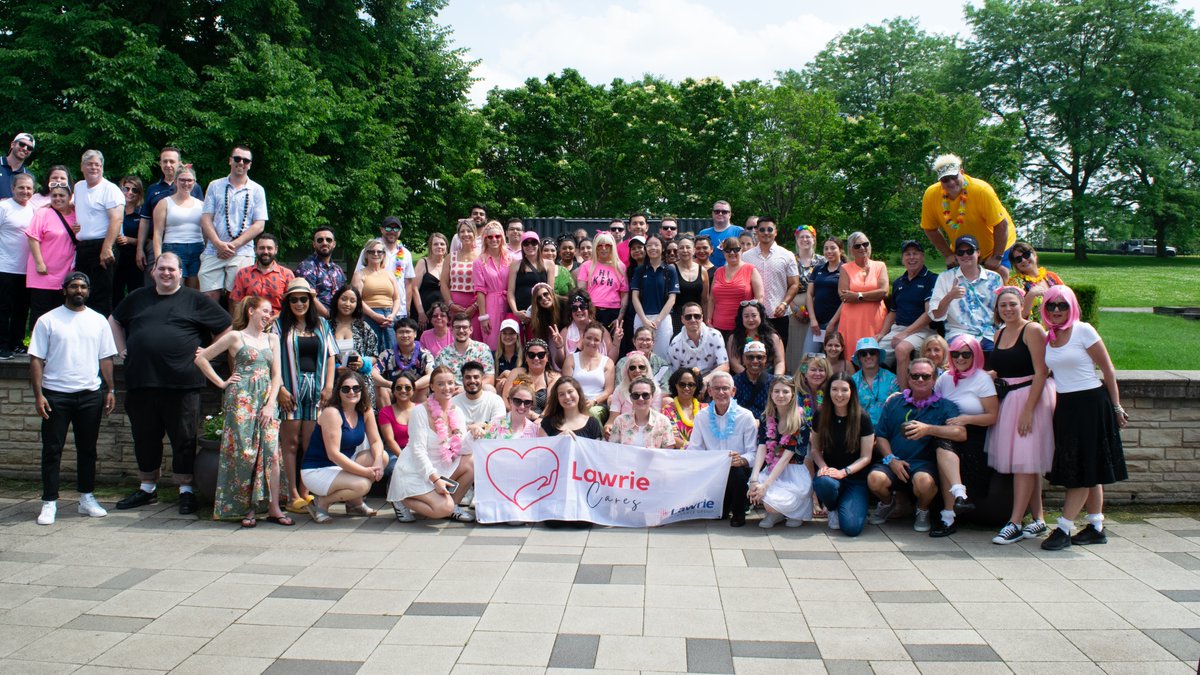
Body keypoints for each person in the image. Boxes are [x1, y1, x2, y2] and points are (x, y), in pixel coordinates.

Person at [109, 252, 232, 515]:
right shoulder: (137, 298)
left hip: (183, 382)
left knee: (184, 439)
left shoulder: (195, 299)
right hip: (142, 380)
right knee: (144, 437)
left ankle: (186, 491)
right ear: (153, 271)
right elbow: (114, 321)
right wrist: (121, 348)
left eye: (172, 270)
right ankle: (147, 488)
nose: (166, 273)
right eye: (161, 269)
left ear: (180, 272)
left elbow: (227, 326)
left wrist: (208, 352)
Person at [1040, 285, 1129, 551]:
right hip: (1066, 405)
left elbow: (1108, 370)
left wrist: (1116, 407)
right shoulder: (1048, 336)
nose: (1056, 310)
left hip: (1091, 403)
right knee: (1090, 467)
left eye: (1062, 305)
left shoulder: (1083, 330)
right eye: (1051, 305)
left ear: (1072, 307)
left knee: (1083, 469)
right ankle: (1095, 527)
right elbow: (1042, 373)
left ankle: (1065, 527)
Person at [193, 296, 291, 527]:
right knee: (245, 454)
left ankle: (274, 506)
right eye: (265, 311)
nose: (268, 315)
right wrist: (222, 382)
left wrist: (270, 403)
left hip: (266, 399)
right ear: (251, 311)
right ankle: (249, 508)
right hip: (241, 401)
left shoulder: (273, 339)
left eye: (270, 312)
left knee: (272, 454)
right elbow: (202, 358)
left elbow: (277, 375)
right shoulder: (235, 336)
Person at [30, 272, 117, 525]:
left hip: (90, 394)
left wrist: (110, 389)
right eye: (73, 286)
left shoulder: (98, 321)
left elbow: (106, 358)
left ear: (88, 291)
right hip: (56, 395)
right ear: (64, 289)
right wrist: (38, 395)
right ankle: (49, 502)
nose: (78, 290)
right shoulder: (48, 320)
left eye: (83, 287)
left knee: (88, 449)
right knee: (52, 450)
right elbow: (36, 359)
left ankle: (86, 498)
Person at [988, 286, 1056, 545]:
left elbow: (1042, 371)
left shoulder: (1033, 330)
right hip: (1009, 399)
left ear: (1022, 305)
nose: (1008, 309)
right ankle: (1038, 519)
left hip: (1031, 399)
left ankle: (1015, 522)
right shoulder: (999, 333)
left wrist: (1029, 409)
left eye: (1013, 304)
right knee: (1026, 462)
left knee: (1025, 462)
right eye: (1003, 305)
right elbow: (1001, 368)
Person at [867, 358, 966, 532]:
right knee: (874, 480)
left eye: (926, 376)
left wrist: (929, 429)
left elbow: (960, 433)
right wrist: (891, 460)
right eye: (915, 376)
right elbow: (881, 436)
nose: (920, 380)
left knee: (924, 483)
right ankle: (887, 503)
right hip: (894, 461)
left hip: (924, 465)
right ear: (909, 378)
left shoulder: (944, 406)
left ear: (934, 379)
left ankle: (922, 509)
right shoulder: (894, 403)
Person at [275, 278, 338, 514]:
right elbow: (274, 359)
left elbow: (331, 355)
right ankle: (291, 494)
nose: (299, 303)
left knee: (310, 443)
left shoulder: (321, 324)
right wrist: (280, 388)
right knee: (290, 444)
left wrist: (329, 386)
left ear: (310, 301)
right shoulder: (279, 326)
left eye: (304, 298)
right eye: (294, 299)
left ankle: (305, 491)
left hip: (316, 392)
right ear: (287, 301)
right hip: (290, 389)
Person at [929, 335, 998, 537]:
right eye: (956, 354)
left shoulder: (982, 379)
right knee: (942, 444)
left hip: (975, 434)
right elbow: (933, 402)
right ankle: (957, 495)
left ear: (975, 354)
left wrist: (966, 419)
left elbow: (992, 416)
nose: (960, 358)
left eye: (966, 354)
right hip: (948, 431)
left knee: (943, 447)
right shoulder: (945, 378)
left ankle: (948, 515)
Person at [387, 366, 476, 523]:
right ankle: (401, 499)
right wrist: (435, 480)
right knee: (442, 508)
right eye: (441, 384)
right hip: (414, 470)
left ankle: (452, 506)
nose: (446, 388)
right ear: (432, 387)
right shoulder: (419, 412)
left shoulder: (458, 412)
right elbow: (418, 450)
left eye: (450, 383)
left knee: (471, 461)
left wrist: (473, 434)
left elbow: (461, 448)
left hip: (441, 465)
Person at [301, 369, 386, 523]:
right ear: (338, 392)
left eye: (356, 388)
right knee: (363, 485)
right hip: (319, 469)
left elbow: (376, 441)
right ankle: (322, 502)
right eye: (345, 389)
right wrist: (365, 472)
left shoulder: (365, 410)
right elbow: (333, 454)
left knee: (382, 456)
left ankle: (355, 503)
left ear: (362, 390)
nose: (351, 392)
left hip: (342, 464)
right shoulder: (331, 413)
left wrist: (378, 461)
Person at [920, 153, 1015, 282]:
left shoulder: (981, 190)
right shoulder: (931, 195)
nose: (951, 182)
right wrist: (948, 254)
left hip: (996, 244)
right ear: (939, 181)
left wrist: (997, 257)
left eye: (954, 177)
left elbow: (1001, 225)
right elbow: (929, 229)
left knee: (998, 278)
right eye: (945, 180)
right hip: (963, 249)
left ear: (962, 172)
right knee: (956, 283)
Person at [199, 146, 268, 303]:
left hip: (242, 251)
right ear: (230, 160)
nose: (241, 163)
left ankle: (235, 328)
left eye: (246, 160)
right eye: (237, 159)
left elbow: (259, 225)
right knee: (208, 297)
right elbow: (205, 218)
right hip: (213, 250)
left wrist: (232, 246)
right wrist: (218, 244)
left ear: (250, 164)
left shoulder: (257, 190)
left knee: (237, 299)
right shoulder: (215, 185)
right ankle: (211, 328)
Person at [686, 372, 756, 527]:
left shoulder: (745, 416)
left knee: (736, 472)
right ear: (709, 392)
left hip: (738, 472)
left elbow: (754, 452)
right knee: (719, 514)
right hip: (713, 472)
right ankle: (720, 507)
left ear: (733, 391)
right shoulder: (702, 417)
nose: (721, 392)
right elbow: (695, 449)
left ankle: (739, 513)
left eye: (725, 388)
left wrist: (742, 460)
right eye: (716, 388)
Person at [810, 373, 875, 535]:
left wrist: (844, 472)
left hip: (855, 479)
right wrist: (824, 467)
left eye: (844, 390)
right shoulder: (820, 414)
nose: (839, 394)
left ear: (852, 392)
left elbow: (866, 457)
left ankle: (850, 506)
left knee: (851, 529)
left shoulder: (863, 418)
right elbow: (815, 449)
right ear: (828, 391)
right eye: (834, 389)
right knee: (824, 482)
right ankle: (832, 509)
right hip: (830, 476)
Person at [750, 376, 813, 528]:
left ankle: (794, 510)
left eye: (785, 392)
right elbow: (762, 446)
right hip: (772, 466)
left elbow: (786, 458)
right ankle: (774, 514)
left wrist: (765, 485)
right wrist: (754, 477)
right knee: (755, 488)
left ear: (793, 395)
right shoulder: (766, 417)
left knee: (766, 493)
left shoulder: (800, 421)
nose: (780, 395)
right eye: (776, 391)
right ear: (771, 394)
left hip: (793, 470)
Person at [876, 240, 936, 389]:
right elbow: (893, 312)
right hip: (899, 329)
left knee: (901, 349)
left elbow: (929, 313)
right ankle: (879, 391)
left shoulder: (932, 279)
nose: (911, 257)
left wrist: (905, 333)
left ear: (922, 256)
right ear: (903, 259)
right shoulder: (898, 282)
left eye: (915, 253)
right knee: (870, 352)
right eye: (907, 254)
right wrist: (881, 334)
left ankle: (904, 397)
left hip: (923, 329)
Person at [929, 234, 1003, 350]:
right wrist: (950, 296)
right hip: (959, 334)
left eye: (970, 251)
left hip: (989, 334)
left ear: (978, 252)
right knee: (964, 352)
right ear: (956, 256)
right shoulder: (945, 278)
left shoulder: (995, 278)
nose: (965, 255)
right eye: (960, 252)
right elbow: (936, 315)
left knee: (1004, 356)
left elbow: (1001, 312)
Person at [73, 150, 124, 315]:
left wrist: (107, 247)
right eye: (89, 164)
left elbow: (116, 219)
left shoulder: (110, 189)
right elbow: (69, 207)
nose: (93, 168)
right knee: (81, 294)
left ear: (102, 167)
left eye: (97, 165)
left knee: (100, 295)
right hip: (83, 248)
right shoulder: (79, 187)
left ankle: (102, 335)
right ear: (82, 167)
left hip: (103, 245)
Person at [139, 147, 203, 277]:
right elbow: (145, 220)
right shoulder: (153, 189)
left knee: (194, 290)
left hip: (196, 246)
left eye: (171, 161)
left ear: (179, 163)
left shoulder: (196, 190)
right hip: (164, 245)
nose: (168, 165)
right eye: (165, 161)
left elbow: (205, 223)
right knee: (166, 284)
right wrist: (140, 248)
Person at [26, 182, 78, 326]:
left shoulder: (76, 215)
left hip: (66, 272)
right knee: (40, 314)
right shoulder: (43, 213)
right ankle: (36, 347)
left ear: (70, 197)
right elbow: (33, 238)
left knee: (61, 314)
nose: (57, 198)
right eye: (54, 195)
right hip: (43, 272)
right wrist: (39, 263)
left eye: (61, 195)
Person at [742, 217, 799, 342]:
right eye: (762, 229)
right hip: (753, 317)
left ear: (776, 232)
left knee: (779, 355)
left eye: (769, 229)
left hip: (779, 315)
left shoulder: (787, 255)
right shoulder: (745, 257)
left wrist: (784, 304)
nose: (766, 232)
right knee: (753, 355)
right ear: (756, 232)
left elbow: (794, 284)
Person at [151, 165, 205, 289]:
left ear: (194, 182)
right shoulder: (164, 203)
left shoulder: (201, 205)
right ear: (175, 181)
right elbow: (157, 234)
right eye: (182, 180)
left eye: (189, 180)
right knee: (175, 289)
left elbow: (206, 233)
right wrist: (158, 260)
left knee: (194, 291)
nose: (186, 183)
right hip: (173, 248)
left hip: (197, 248)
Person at [352, 216, 416, 321]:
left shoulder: (406, 253)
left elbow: (408, 283)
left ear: (400, 231)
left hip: (398, 311)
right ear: (381, 229)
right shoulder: (370, 251)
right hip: (372, 309)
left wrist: (407, 308)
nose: (392, 231)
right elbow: (357, 280)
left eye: (396, 228)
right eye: (388, 228)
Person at [834, 232, 888, 354]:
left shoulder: (880, 266)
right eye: (857, 246)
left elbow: (883, 292)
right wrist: (873, 295)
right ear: (851, 250)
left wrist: (858, 295)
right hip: (852, 321)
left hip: (875, 320)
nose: (862, 248)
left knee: (873, 354)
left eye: (865, 244)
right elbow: (844, 296)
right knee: (851, 354)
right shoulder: (845, 268)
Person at [0, 173, 35, 359]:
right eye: (21, 187)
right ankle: (2, 345)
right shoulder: (3, 207)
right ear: (13, 188)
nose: (25, 191)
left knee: (22, 309)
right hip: (4, 267)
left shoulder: (33, 209)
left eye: (29, 188)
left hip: (27, 269)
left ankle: (17, 343)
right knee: (4, 309)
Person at [630, 234, 678, 360]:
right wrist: (644, 320)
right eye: (649, 245)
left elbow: (672, 299)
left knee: (661, 357)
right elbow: (635, 297)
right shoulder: (640, 270)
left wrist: (657, 321)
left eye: (656, 245)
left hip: (662, 319)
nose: (652, 248)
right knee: (641, 356)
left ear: (662, 248)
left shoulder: (670, 270)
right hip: (642, 317)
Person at [787, 225, 825, 371]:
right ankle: (794, 378)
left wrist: (813, 308)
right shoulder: (790, 259)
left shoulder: (822, 261)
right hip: (793, 305)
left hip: (817, 307)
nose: (805, 239)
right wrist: (795, 308)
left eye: (808, 236)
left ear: (814, 239)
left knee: (814, 348)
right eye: (801, 237)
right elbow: (784, 286)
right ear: (796, 240)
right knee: (795, 345)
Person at [353, 239, 401, 351]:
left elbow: (397, 298)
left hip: (389, 316)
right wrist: (374, 315)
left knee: (392, 352)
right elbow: (356, 299)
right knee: (372, 351)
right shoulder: (359, 274)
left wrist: (392, 316)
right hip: (369, 315)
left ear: (383, 255)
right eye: (372, 251)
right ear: (366, 254)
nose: (376, 254)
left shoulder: (389, 274)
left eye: (379, 252)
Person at [562, 321, 615, 420]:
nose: (592, 342)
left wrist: (594, 401)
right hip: (573, 402)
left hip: (597, 405)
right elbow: (565, 385)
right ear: (583, 337)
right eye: (589, 338)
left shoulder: (608, 362)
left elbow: (608, 390)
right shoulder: (571, 359)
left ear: (601, 341)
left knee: (591, 414)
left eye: (596, 339)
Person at [230, 233, 294, 315]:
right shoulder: (243, 273)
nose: (265, 251)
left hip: (278, 322)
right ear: (255, 250)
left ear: (276, 250)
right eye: (262, 248)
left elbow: (292, 304)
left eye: (269, 248)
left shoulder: (287, 274)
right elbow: (237, 302)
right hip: (250, 321)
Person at [668, 302, 730, 388]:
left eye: (697, 316)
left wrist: (705, 381)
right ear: (682, 319)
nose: (693, 320)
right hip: (688, 384)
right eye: (688, 317)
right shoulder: (675, 343)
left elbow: (724, 366)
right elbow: (674, 373)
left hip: (712, 380)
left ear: (702, 318)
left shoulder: (715, 335)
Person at [708, 238, 763, 333]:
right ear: (723, 253)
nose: (732, 253)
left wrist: (754, 321)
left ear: (741, 250)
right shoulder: (718, 272)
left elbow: (760, 298)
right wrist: (708, 320)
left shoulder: (751, 269)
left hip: (743, 327)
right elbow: (712, 299)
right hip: (717, 328)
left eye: (736, 249)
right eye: (728, 250)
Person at [575, 232, 627, 331]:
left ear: (612, 247)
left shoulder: (620, 267)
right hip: (592, 311)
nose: (603, 248)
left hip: (613, 312)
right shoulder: (586, 265)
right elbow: (581, 292)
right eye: (600, 245)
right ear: (595, 247)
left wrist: (620, 317)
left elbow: (624, 294)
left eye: (607, 245)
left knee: (611, 344)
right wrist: (587, 314)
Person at [607, 376, 678, 448]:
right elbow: (613, 451)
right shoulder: (619, 421)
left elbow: (668, 452)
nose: (640, 399)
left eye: (645, 395)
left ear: (652, 397)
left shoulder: (663, 421)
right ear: (631, 398)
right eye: (636, 395)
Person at [294, 226, 347, 318]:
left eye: (328, 240)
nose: (324, 243)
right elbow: (309, 296)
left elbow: (345, 295)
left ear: (334, 244)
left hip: (339, 319)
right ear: (314, 244)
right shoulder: (306, 267)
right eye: (320, 240)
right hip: (316, 321)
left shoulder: (337, 270)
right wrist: (329, 316)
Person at [441, 221, 482, 340]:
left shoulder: (481, 256)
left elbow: (486, 285)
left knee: (474, 337)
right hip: (455, 307)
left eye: (469, 231)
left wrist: (474, 307)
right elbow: (443, 283)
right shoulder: (451, 256)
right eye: (462, 231)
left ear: (474, 233)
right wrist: (450, 304)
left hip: (475, 307)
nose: (466, 234)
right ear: (458, 235)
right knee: (455, 338)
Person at [475, 221, 513, 347]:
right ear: (485, 239)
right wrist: (483, 316)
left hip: (509, 302)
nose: (494, 239)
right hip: (491, 304)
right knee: (492, 340)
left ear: (502, 237)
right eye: (489, 237)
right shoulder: (479, 262)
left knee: (510, 338)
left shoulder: (511, 258)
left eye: (497, 236)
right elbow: (479, 291)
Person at [432, 314, 496, 388]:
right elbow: (438, 381)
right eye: (457, 327)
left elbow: (490, 379)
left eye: (465, 327)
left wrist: (465, 390)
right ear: (451, 330)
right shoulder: (441, 355)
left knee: (489, 388)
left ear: (471, 330)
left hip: (476, 393)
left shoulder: (483, 349)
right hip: (452, 394)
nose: (461, 330)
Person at [1006, 241, 1064, 322]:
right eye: (1018, 259)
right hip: (1034, 331)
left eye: (1026, 255)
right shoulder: (1014, 284)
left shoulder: (1052, 276)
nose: (1023, 260)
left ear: (1034, 255)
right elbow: (1016, 317)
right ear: (1015, 265)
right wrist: (1031, 295)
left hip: (1059, 327)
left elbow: (1070, 301)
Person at [377, 317, 432, 401]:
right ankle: (388, 414)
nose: (404, 335)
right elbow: (373, 373)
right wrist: (391, 385)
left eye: (408, 332)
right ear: (395, 335)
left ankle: (419, 413)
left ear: (415, 334)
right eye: (401, 332)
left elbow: (431, 375)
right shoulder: (387, 354)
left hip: (415, 391)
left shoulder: (425, 354)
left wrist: (410, 386)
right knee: (381, 388)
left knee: (424, 388)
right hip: (395, 391)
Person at [806, 235, 845, 356]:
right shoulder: (818, 268)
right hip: (816, 323)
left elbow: (846, 299)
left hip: (836, 323)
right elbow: (809, 294)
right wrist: (813, 320)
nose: (829, 251)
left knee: (832, 357)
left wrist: (832, 323)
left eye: (833, 248)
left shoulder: (845, 270)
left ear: (840, 250)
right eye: (826, 248)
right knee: (807, 357)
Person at [500, 338, 559, 417]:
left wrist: (540, 419)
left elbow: (550, 405)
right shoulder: (516, 372)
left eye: (541, 355)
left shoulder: (553, 377)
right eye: (531, 355)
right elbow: (505, 398)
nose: (536, 358)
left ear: (547, 357)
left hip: (543, 420)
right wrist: (521, 414)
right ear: (526, 357)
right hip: (516, 417)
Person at [604, 352, 659, 435]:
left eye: (641, 367)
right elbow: (612, 420)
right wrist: (608, 427)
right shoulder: (620, 390)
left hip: (648, 431)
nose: (637, 370)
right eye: (632, 368)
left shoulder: (656, 390)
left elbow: (655, 418)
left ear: (647, 369)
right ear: (627, 371)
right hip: (623, 429)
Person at [538, 376, 606, 442]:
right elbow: (542, 450)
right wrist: (558, 439)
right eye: (561, 394)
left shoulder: (593, 423)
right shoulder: (547, 422)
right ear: (557, 398)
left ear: (578, 393)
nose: (567, 397)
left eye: (570, 392)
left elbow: (597, 451)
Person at [378, 371, 417, 484]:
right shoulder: (385, 412)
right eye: (399, 388)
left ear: (413, 390)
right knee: (399, 468)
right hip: (394, 453)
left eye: (407, 388)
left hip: (417, 451)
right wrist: (406, 458)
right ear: (393, 391)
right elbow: (390, 441)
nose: (403, 391)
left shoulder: (421, 409)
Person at [507, 231, 553, 328]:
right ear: (522, 246)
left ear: (538, 245)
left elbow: (550, 292)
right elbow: (510, 292)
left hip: (540, 313)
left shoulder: (549, 264)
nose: (530, 246)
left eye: (533, 242)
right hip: (519, 311)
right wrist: (516, 312)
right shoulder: (515, 264)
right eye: (526, 243)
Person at [729, 301, 786, 376]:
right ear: (741, 318)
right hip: (744, 378)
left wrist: (775, 380)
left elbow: (780, 362)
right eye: (746, 316)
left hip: (769, 378)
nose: (750, 320)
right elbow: (735, 364)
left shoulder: (773, 337)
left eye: (754, 315)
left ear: (761, 316)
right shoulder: (734, 338)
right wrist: (751, 378)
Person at [112, 176, 145, 306]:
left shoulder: (143, 213)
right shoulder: (113, 210)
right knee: (115, 293)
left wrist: (130, 240)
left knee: (136, 293)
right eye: (126, 189)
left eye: (134, 190)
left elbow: (149, 240)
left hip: (134, 259)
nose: (129, 192)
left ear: (139, 194)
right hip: (115, 259)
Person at [850, 337, 898, 425]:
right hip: (860, 431)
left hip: (886, 431)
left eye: (872, 352)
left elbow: (897, 408)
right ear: (859, 358)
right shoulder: (851, 381)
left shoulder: (892, 379)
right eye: (863, 354)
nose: (868, 356)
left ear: (878, 355)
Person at [453, 361, 507, 437]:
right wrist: (471, 428)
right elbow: (451, 431)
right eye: (468, 377)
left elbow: (499, 428)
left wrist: (472, 428)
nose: (472, 381)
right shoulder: (453, 403)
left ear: (482, 378)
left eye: (476, 377)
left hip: (488, 446)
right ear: (462, 380)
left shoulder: (496, 400)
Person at [614, 325, 671, 392]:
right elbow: (619, 388)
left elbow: (666, 390)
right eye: (641, 339)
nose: (644, 343)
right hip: (629, 398)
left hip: (655, 399)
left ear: (653, 343)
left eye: (648, 339)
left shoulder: (662, 363)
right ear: (634, 341)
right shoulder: (623, 362)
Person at [671, 236, 708, 335]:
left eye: (688, 247)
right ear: (677, 251)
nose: (685, 250)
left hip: (696, 318)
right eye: (681, 248)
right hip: (677, 317)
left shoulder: (703, 271)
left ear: (694, 250)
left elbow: (705, 300)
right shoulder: (671, 269)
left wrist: (706, 320)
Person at [662, 366, 706, 445]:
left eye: (691, 384)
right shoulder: (667, 411)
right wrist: (692, 449)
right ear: (675, 385)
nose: (686, 388)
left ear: (696, 387)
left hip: (704, 455)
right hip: (679, 455)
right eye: (682, 384)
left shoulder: (706, 409)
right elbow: (670, 437)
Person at [413, 232, 448, 329]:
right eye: (435, 244)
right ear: (430, 247)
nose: (439, 246)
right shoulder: (423, 262)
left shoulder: (449, 264)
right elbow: (414, 288)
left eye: (442, 244)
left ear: (446, 246)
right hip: (424, 309)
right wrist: (421, 312)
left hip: (443, 312)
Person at [733, 341, 774, 420]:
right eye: (750, 357)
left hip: (766, 427)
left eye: (759, 357)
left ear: (765, 359)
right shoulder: (734, 382)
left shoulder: (773, 383)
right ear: (743, 359)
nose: (755, 361)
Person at [698, 200, 743, 267]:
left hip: (732, 272)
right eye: (717, 211)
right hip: (708, 273)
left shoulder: (739, 231)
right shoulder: (703, 233)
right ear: (712, 213)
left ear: (730, 214)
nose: (720, 214)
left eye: (724, 212)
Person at [0, 132, 35, 200]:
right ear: (12, 144)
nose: (25, 148)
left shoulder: (28, 176)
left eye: (29, 148)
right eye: (22, 144)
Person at [797, 354, 829, 427]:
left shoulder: (830, 392)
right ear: (804, 372)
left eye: (821, 370)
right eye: (813, 370)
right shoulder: (794, 392)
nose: (817, 374)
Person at [493, 318, 524, 386]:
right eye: (504, 333)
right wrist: (503, 375)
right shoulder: (493, 356)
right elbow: (492, 382)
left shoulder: (525, 355)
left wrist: (508, 378)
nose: (507, 336)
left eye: (511, 333)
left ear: (517, 336)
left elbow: (527, 381)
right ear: (500, 335)